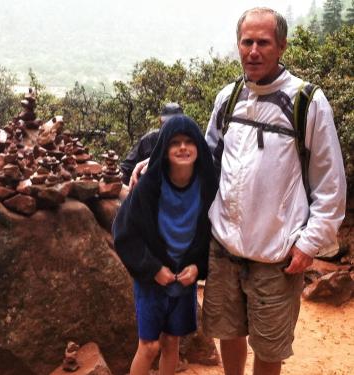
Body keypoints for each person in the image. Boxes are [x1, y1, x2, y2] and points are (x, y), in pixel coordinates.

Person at [130, 7, 346, 375]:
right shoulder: (228, 98)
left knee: (268, 344)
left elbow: (330, 183)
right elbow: (205, 158)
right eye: (247, 42)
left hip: (276, 253)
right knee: (228, 331)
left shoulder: (306, 102)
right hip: (224, 248)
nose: (254, 51)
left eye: (263, 42)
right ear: (238, 45)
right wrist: (156, 167)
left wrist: (310, 242)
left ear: (282, 46)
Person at [112, 115, 217, 375]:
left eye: (189, 142)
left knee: (172, 342)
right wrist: (152, 268)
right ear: (164, 149)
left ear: (198, 147)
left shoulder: (208, 185)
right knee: (148, 346)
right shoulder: (149, 186)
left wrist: (198, 267)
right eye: (175, 143)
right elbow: (124, 232)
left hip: (184, 278)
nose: (183, 147)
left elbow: (212, 233)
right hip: (152, 279)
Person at [120, 102, 183, 185]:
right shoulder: (149, 140)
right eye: (167, 122)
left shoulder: (190, 143)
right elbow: (126, 168)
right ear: (160, 121)